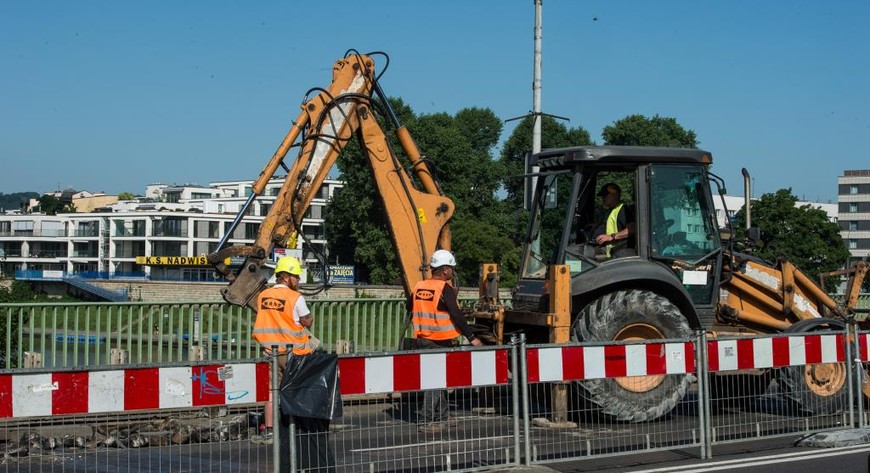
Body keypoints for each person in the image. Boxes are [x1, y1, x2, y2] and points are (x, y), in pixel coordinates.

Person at [411, 249, 483, 434]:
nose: (452, 271)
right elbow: (456, 315)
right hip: (439, 341)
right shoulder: (445, 288)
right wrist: (472, 337)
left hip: (422, 338)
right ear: (444, 270)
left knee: (438, 378)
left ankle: (442, 416)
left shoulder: (419, 286)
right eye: (451, 268)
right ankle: (425, 421)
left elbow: (411, 306)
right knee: (434, 381)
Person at [250, 255, 317, 445]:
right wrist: (307, 321)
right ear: (286, 277)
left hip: (270, 352)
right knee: (298, 389)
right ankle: (297, 427)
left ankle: (270, 431)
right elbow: (306, 320)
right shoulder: (295, 297)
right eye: (296, 276)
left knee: (272, 391)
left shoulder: (263, 296)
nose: (299, 280)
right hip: (293, 354)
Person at [593, 183, 635, 257]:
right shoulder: (612, 210)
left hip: (619, 254)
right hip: (610, 252)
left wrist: (611, 237)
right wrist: (596, 226)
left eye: (605, 195)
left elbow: (632, 229)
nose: (603, 198)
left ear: (615, 195)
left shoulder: (623, 209)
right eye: (602, 196)